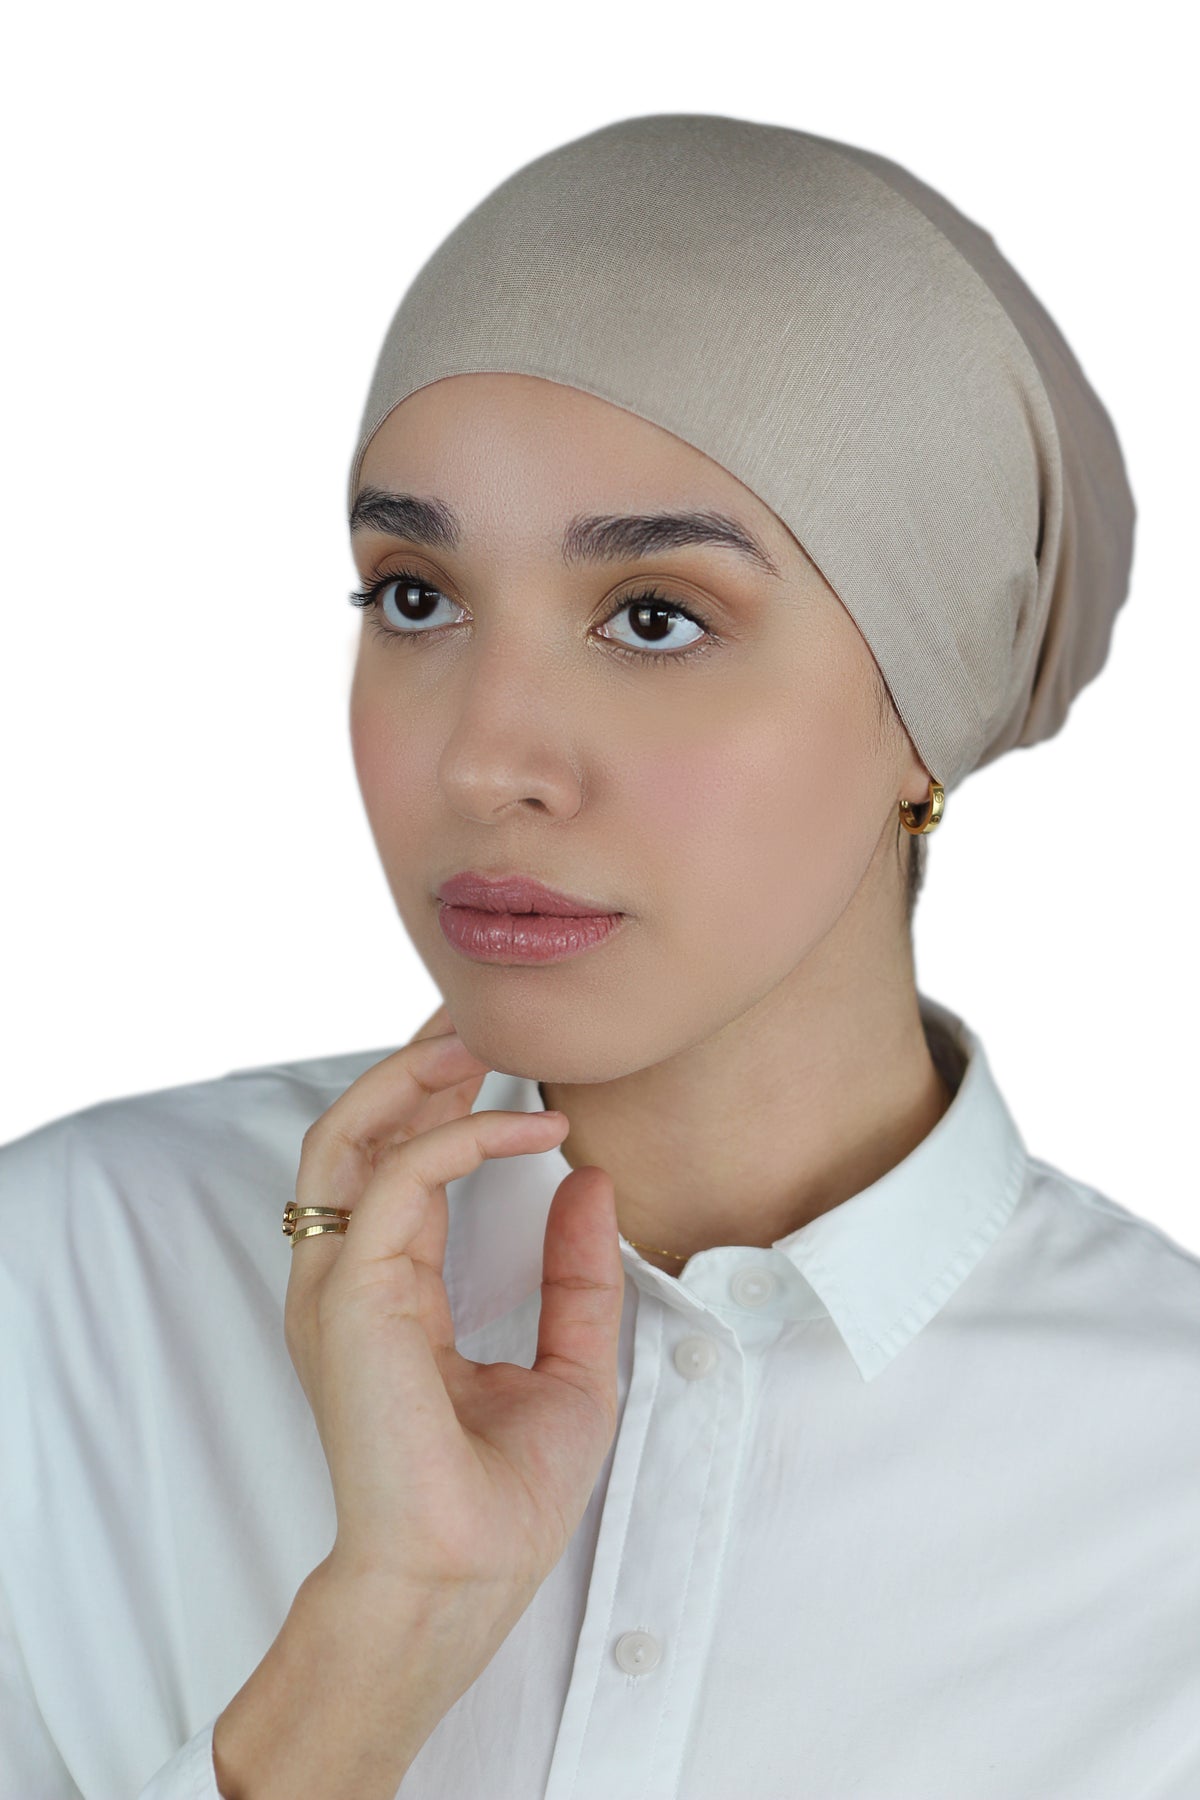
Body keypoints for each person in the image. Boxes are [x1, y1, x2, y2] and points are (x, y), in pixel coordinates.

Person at [1, 113, 1196, 1800]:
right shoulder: (72, 1293)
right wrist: (378, 1642)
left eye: (655, 617)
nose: (486, 760)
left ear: (930, 708)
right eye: (415, 595)